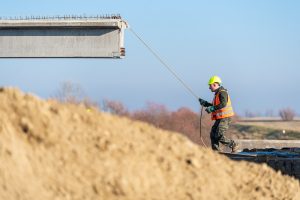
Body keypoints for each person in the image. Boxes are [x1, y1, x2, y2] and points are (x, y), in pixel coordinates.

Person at [199, 75, 238, 152]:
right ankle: (216, 152)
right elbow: (215, 105)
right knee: (213, 134)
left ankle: (233, 144)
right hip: (220, 118)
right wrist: (206, 104)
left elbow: (223, 104)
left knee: (218, 135)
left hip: (225, 118)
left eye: (210, 85)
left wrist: (212, 108)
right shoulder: (217, 94)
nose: (209, 88)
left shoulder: (222, 93)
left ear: (215, 84)